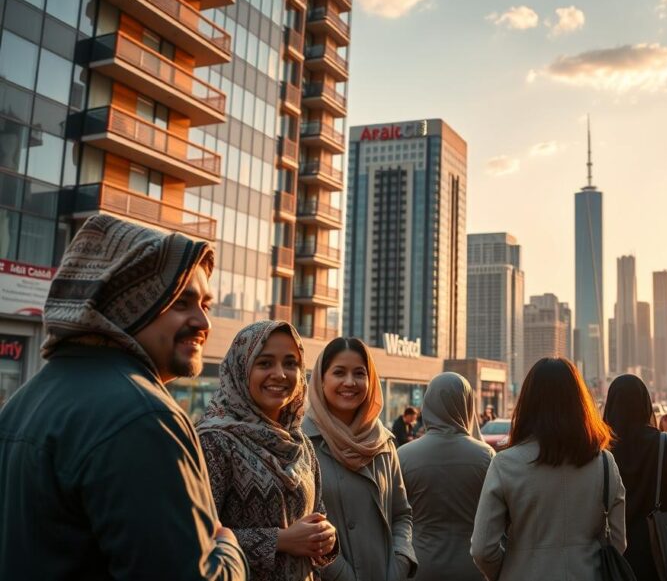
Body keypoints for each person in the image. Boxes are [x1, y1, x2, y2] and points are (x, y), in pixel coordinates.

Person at [0, 214, 247, 580]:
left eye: (206, 306)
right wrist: (229, 549)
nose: (203, 322)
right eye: (182, 302)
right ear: (129, 304)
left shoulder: (23, 402)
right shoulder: (143, 417)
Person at [198, 320, 337, 580]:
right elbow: (195, 539)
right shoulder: (214, 441)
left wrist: (326, 538)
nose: (280, 374)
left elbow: (317, 516)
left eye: (290, 363)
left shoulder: (299, 443)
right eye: (264, 363)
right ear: (241, 369)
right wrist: (280, 540)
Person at [471, 357, 626, 580]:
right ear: (580, 403)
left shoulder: (504, 464)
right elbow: (618, 540)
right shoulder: (603, 463)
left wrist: (508, 569)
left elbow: (482, 549)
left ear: (527, 403)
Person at [303, 337, 417, 581]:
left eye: (359, 373)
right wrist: (341, 574)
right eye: (339, 372)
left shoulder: (383, 442)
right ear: (321, 380)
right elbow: (304, 525)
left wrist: (399, 563)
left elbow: (401, 514)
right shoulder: (300, 443)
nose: (350, 382)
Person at [604, 374, 667, 579]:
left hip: (610, 558)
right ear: (645, 404)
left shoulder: (600, 448)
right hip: (659, 554)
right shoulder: (664, 444)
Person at [398, 372, 494, 581]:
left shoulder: (403, 456)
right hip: (473, 568)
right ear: (468, 405)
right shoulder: (486, 456)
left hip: (419, 566)